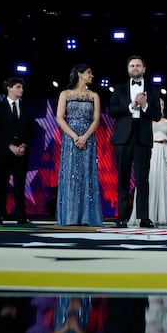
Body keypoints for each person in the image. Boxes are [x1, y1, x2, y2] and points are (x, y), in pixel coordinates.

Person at [108, 55, 162, 228]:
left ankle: (144, 218)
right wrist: (131, 106)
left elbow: (157, 116)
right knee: (123, 179)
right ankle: (122, 217)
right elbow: (112, 111)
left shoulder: (153, 90)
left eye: (138, 65)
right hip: (123, 139)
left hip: (143, 138)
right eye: (132, 65)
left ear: (144, 69)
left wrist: (145, 105)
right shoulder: (119, 89)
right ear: (128, 69)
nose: (135, 68)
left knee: (142, 180)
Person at [54, 64, 104, 227]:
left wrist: (85, 137)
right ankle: (70, 216)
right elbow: (60, 118)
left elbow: (96, 119)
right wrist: (76, 136)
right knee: (71, 175)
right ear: (80, 74)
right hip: (71, 139)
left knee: (87, 174)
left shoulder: (94, 95)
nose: (92, 76)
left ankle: (86, 217)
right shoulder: (65, 94)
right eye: (89, 73)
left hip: (88, 138)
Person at [0, 76, 35, 225]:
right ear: (9, 88)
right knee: (2, 183)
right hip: (4, 151)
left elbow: (31, 130)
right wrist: (10, 145)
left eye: (22, 87)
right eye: (18, 87)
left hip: (21, 152)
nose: (21, 90)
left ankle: (21, 215)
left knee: (20, 184)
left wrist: (24, 145)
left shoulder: (27, 107)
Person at [129, 97, 167, 227]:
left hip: (161, 153)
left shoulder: (166, 122)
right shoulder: (145, 119)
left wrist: (166, 144)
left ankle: (160, 215)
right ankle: (145, 215)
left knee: (161, 182)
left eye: (162, 104)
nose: (161, 106)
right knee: (147, 182)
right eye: (158, 104)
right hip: (149, 152)